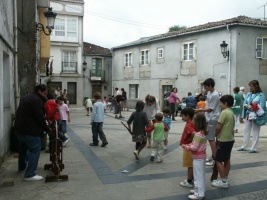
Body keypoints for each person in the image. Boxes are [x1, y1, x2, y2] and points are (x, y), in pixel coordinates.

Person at [15, 84, 50, 181]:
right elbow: (39, 117)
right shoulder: (36, 100)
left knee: (23, 149)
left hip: (20, 129)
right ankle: (30, 174)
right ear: (39, 91)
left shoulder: (27, 97)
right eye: (44, 93)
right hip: (30, 131)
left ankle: (21, 167)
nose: (45, 96)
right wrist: (47, 128)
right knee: (34, 150)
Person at [211, 95, 235, 189]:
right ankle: (225, 177)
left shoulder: (224, 113)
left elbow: (218, 127)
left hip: (223, 140)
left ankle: (223, 181)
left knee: (218, 160)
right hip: (230, 139)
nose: (220, 105)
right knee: (227, 159)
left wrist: (215, 134)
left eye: (221, 103)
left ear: (225, 103)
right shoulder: (231, 113)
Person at [182, 113, 207, 200]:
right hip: (202, 157)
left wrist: (186, 146)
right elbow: (197, 144)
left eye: (194, 120)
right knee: (201, 175)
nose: (192, 121)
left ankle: (199, 194)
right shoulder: (203, 133)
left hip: (198, 158)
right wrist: (190, 144)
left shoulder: (197, 135)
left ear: (197, 122)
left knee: (197, 176)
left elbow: (194, 147)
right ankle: (200, 190)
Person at [195, 78, 220, 166]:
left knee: (211, 138)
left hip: (212, 118)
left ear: (210, 85)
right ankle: (213, 156)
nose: (205, 88)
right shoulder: (209, 93)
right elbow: (207, 105)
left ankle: (215, 158)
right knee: (208, 138)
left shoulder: (215, 95)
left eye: (205, 86)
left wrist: (198, 111)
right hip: (207, 118)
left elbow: (210, 109)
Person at [238, 80, 266, 153]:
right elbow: (244, 103)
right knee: (246, 130)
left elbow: (263, 106)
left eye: (251, 86)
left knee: (255, 131)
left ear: (256, 86)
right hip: (248, 114)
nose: (250, 88)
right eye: (250, 86)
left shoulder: (261, 95)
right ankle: (244, 146)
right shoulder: (248, 94)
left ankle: (254, 148)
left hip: (256, 115)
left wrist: (254, 108)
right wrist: (248, 106)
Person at [179, 107, 196, 188]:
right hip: (189, 146)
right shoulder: (192, 122)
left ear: (187, 116)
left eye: (182, 115)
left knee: (189, 165)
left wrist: (190, 140)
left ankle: (189, 181)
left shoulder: (189, 124)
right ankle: (191, 179)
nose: (181, 117)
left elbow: (193, 133)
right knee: (191, 164)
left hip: (188, 147)